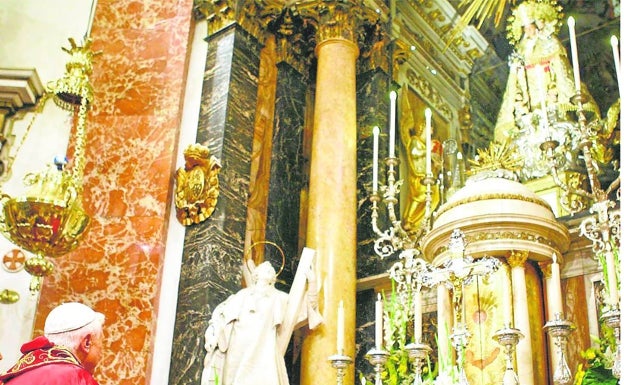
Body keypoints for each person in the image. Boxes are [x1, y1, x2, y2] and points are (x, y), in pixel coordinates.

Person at [201, 249, 321, 385]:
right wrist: (214, 336)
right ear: (256, 275)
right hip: (238, 345)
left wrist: (312, 283)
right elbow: (222, 318)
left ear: (273, 278)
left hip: (263, 348)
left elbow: (302, 309)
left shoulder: (278, 297)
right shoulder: (242, 295)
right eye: (264, 268)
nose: (268, 268)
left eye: (270, 270)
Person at [0, 302, 105, 385]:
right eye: (100, 345)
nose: (101, 354)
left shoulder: (16, 375)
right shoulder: (79, 379)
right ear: (86, 342)